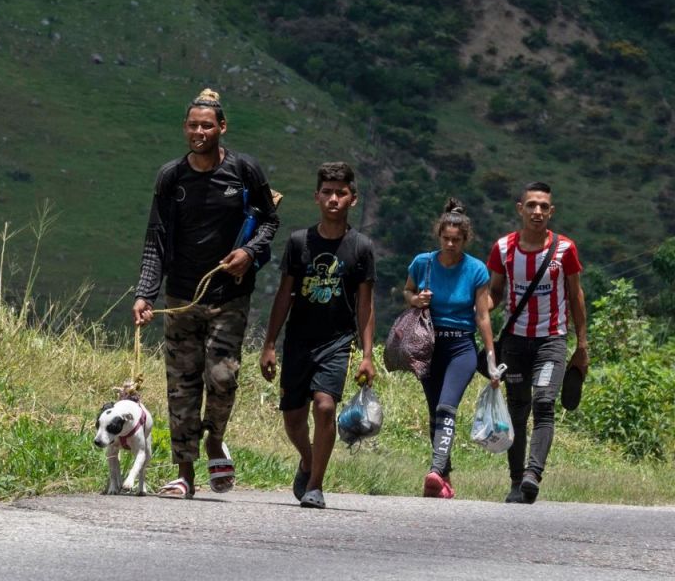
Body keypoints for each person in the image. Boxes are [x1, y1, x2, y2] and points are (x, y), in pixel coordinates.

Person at [132, 89, 279, 500]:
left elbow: (270, 220)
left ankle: (216, 438)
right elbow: (155, 240)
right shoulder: (171, 178)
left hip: (229, 296)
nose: (199, 132)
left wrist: (248, 253)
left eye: (207, 125)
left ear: (222, 128)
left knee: (222, 377)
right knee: (181, 385)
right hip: (180, 296)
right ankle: (184, 473)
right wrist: (146, 293)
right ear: (185, 128)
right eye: (193, 125)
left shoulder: (245, 171)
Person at [259, 162, 376, 510]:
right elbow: (284, 296)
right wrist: (268, 344)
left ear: (352, 199)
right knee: (293, 419)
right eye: (327, 192)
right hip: (298, 341)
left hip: (337, 341)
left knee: (324, 408)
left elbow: (366, 306)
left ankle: (315, 485)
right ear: (316, 197)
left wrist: (368, 355)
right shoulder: (299, 243)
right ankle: (308, 460)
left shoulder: (361, 247)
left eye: (341, 193)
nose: (333, 199)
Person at [487, 181, 587, 504]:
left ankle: (533, 473)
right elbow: (496, 292)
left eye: (544, 206)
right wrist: (479, 308)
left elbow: (575, 295)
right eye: (531, 205)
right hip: (515, 342)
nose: (537, 212)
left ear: (551, 211)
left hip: (551, 341)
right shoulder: (503, 248)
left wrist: (581, 345)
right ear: (520, 209)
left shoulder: (564, 249)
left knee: (544, 403)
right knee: (517, 408)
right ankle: (517, 482)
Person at [401, 198, 500, 499]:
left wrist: (492, 360)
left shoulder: (476, 270)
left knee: (447, 406)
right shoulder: (423, 263)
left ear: (465, 239)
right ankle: (444, 477)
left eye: (456, 240)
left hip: (461, 347)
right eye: (446, 238)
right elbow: (407, 290)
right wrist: (416, 300)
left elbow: (483, 315)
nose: (450, 244)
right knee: (435, 411)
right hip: (429, 344)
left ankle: (434, 469)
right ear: (439, 236)